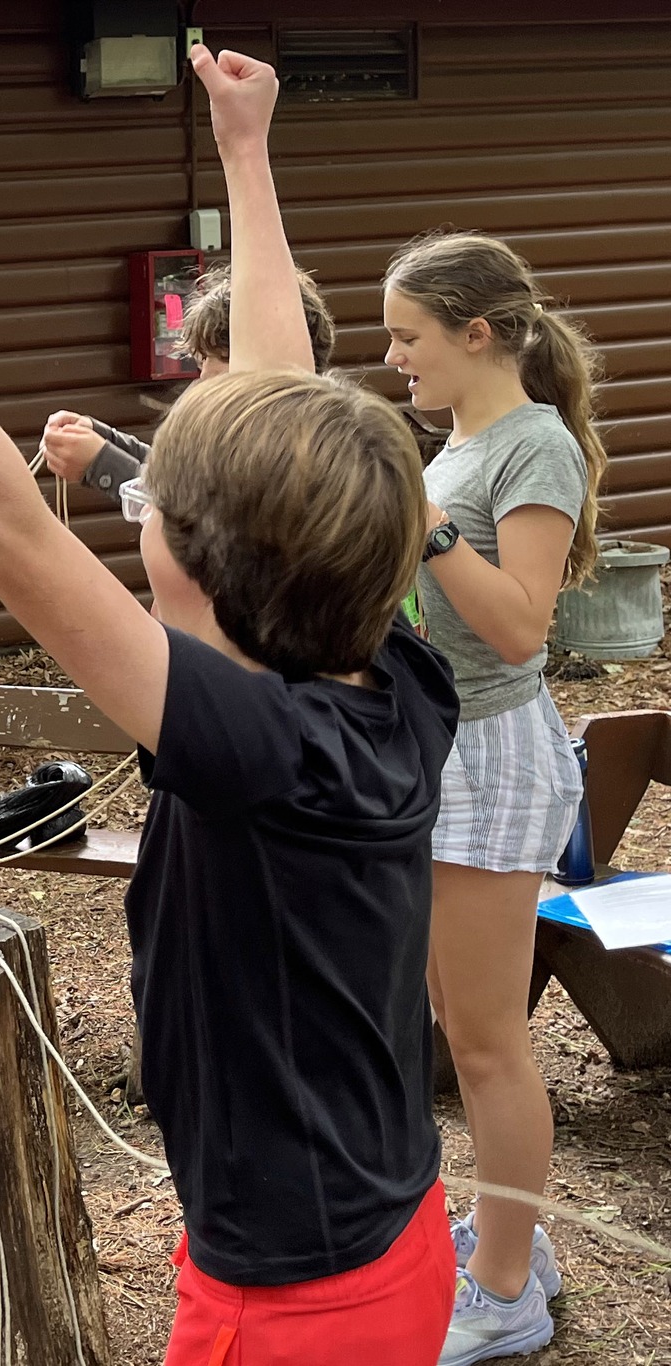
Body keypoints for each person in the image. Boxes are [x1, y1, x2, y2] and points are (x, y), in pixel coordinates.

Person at [0, 42, 458, 1364]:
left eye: (159, 488)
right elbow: (284, 408)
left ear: (200, 562)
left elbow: (4, 524)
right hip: (391, 1236)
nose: (140, 499)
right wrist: (244, 151)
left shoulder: (260, 747)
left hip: (293, 1309)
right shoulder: (387, 674)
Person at [386, 229, 605, 1364]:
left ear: (476, 333)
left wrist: (417, 527)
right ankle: (516, 1237)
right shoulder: (458, 440)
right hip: (433, 743)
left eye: (408, 337)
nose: (393, 359)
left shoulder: (532, 448)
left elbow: (519, 622)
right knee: (452, 1030)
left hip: (489, 752)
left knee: (483, 1047)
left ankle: (507, 1293)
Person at [40, 265, 339, 493]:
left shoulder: (310, 451)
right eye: (200, 361)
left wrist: (100, 464)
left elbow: (198, 525)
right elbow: (184, 483)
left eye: (216, 358)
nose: (204, 377)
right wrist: (105, 440)